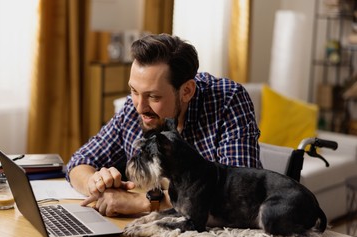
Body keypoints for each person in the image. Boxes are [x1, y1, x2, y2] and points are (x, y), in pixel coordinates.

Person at [66, 33, 262, 217]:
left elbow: (238, 192)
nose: (140, 107)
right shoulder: (135, 107)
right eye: (134, 91)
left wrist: (144, 202)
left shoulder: (228, 100)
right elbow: (79, 162)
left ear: (186, 91)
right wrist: (95, 183)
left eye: (153, 96)